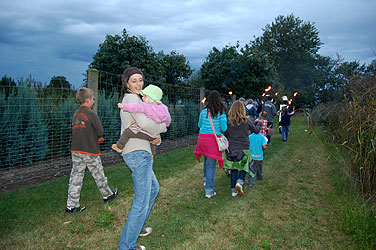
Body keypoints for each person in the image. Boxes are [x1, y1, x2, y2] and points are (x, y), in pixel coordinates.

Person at [118, 67, 167, 250]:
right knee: (141, 201)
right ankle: (127, 246)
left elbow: (145, 128)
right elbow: (146, 123)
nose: (139, 84)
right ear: (127, 83)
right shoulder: (131, 98)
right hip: (138, 153)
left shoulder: (138, 100)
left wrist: (157, 136)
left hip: (140, 151)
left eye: (141, 80)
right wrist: (162, 127)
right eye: (134, 81)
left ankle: (136, 228)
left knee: (153, 189)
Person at [66, 87, 119, 213]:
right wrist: (99, 138)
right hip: (90, 151)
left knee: (76, 177)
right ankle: (107, 195)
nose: (94, 101)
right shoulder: (92, 114)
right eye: (93, 99)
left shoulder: (76, 114)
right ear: (88, 99)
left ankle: (71, 205)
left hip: (76, 150)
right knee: (98, 174)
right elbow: (100, 131)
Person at [112, 84, 171, 156]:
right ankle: (152, 155)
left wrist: (124, 106)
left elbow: (136, 107)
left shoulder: (147, 106)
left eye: (145, 96)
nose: (143, 98)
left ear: (152, 98)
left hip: (147, 131)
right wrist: (165, 125)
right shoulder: (164, 108)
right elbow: (168, 119)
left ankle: (119, 146)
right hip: (156, 134)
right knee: (153, 141)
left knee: (128, 132)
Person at [223, 100, 261, 197]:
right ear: (243, 109)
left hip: (232, 148)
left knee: (234, 168)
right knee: (245, 167)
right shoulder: (247, 121)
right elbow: (256, 131)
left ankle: (233, 191)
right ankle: (240, 182)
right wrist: (259, 123)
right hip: (244, 148)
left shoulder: (228, 121)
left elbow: (226, 134)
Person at [194, 90, 227, 199]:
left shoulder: (204, 112)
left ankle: (205, 180)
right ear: (219, 99)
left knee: (207, 161)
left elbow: (199, 125)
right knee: (211, 165)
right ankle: (209, 191)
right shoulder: (221, 113)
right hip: (213, 140)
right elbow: (224, 128)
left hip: (202, 139)